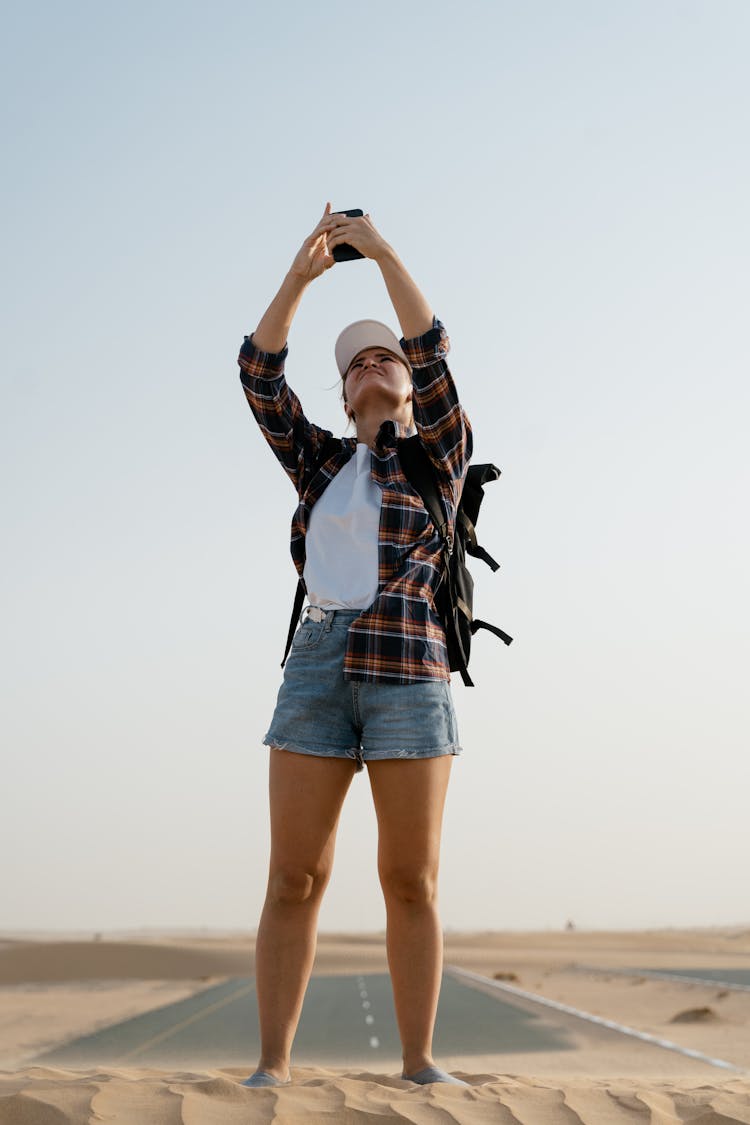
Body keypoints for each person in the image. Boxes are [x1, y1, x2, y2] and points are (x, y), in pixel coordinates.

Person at [236, 204, 472, 1088]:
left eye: (386, 358)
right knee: (295, 875)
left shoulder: (440, 459)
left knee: (410, 878)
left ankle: (420, 1065)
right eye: (356, 364)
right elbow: (259, 375)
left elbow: (434, 346)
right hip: (317, 666)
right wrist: (301, 278)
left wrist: (379, 252)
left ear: (408, 388)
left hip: (411, 668)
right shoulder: (319, 463)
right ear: (342, 396)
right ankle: (272, 1068)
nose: (373, 364)